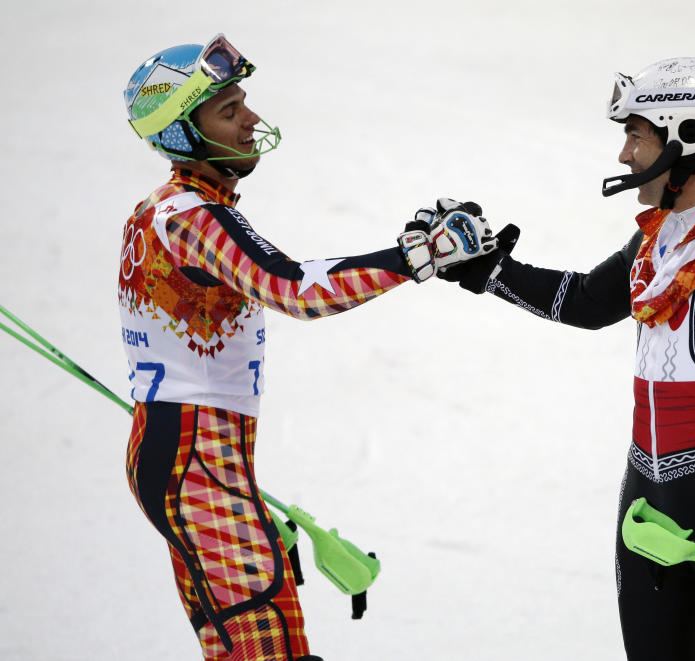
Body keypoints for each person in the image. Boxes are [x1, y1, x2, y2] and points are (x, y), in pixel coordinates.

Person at [428, 57, 695, 660]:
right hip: (650, 504)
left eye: (635, 135)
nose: (623, 155)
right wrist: (488, 270)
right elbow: (589, 302)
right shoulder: (661, 236)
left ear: (689, 137)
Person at [119, 34, 495, 661]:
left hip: (186, 451)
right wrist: (419, 255)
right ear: (182, 133)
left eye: (243, 102)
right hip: (196, 457)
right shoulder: (191, 218)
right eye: (228, 110)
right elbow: (293, 290)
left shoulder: (164, 211)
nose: (252, 119)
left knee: (238, 649)